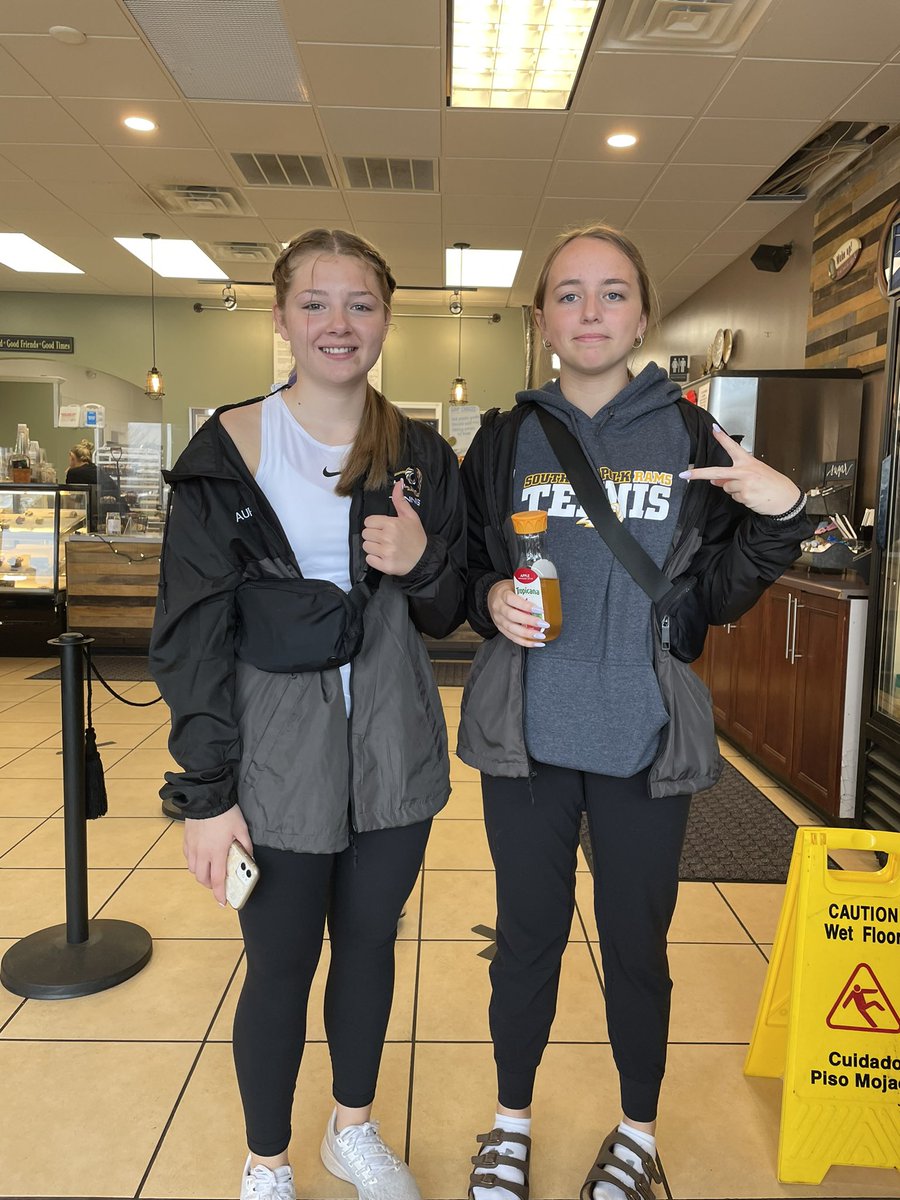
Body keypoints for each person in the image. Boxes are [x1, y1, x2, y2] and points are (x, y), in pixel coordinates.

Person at [457, 224, 812, 1200]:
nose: (590, 311)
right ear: (541, 320)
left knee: (634, 947)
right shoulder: (505, 437)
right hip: (526, 741)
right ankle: (511, 1125)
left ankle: (637, 1134)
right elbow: (464, 574)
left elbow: (726, 592)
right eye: (568, 293)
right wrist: (489, 597)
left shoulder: (694, 437)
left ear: (643, 313)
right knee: (525, 938)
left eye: (612, 292)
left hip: (642, 744)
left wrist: (784, 512)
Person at [149, 228, 466, 1200]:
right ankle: (267, 1160)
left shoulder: (418, 453)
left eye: (361, 304)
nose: (340, 323)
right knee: (279, 961)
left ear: (385, 319)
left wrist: (422, 562)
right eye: (317, 303)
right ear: (281, 315)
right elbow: (192, 632)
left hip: (393, 744)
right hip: (272, 752)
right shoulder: (228, 450)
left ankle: (352, 1130)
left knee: (370, 945)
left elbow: (448, 610)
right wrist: (206, 795)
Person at [66, 439, 122, 530]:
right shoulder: (97, 470)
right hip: (114, 517)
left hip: (98, 518)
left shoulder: (74, 473)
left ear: (73, 458)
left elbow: (73, 498)